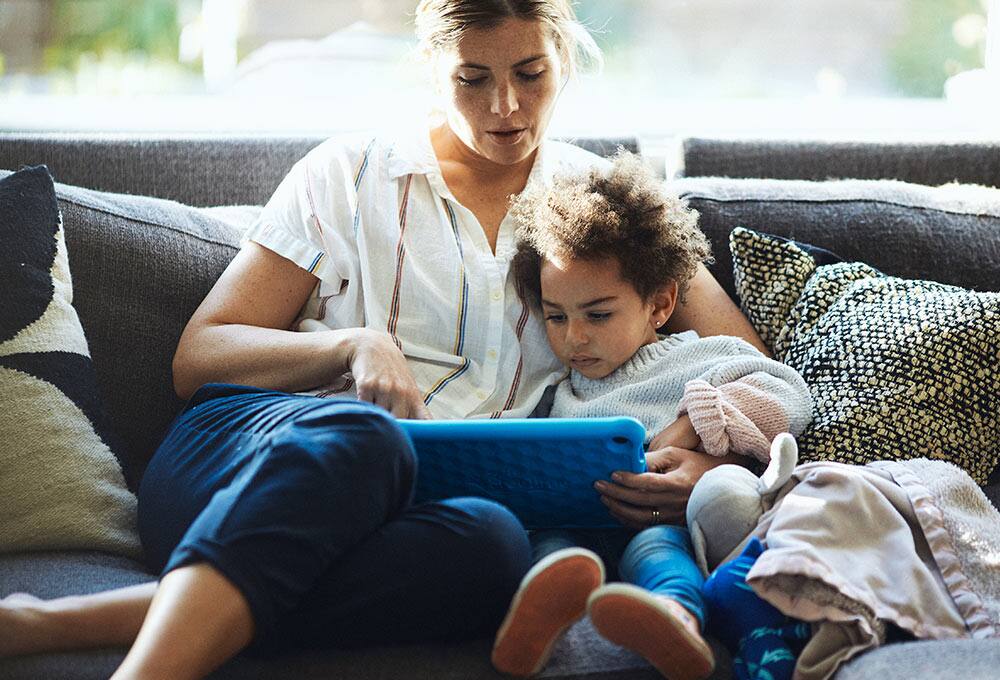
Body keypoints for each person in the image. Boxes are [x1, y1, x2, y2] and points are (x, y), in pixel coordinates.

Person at [0, 2, 768, 679]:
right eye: (473, 78)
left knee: (496, 548)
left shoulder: (606, 210)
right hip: (251, 461)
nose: (506, 106)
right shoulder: (348, 173)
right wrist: (353, 346)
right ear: (433, 68)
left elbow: (750, 370)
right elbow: (199, 359)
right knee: (370, 436)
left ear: (563, 57)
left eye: (530, 73)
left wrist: (705, 458)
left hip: (405, 516)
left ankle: (59, 622)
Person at [490, 152, 812, 680]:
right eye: (556, 316)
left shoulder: (700, 357)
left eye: (598, 314)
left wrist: (690, 424)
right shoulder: (557, 389)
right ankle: (538, 625)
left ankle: (675, 620)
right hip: (576, 524)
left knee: (660, 554)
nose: (574, 337)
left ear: (660, 306)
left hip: (659, 521)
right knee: (551, 551)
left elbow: (789, 394)